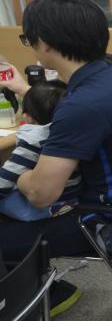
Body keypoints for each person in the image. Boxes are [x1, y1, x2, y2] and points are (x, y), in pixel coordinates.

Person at [0, 0, 112, 315]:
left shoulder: (82, 105)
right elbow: (81, 116)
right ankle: (49, 290)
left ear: (44, 43)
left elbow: (41, 195)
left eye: (28, 40)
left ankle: (29, 319)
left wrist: (19, 174)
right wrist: (24, 91)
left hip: (109, 223)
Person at [0, 80, 80, 221]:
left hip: (40, 210)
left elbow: (7, 176)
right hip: (72, 199)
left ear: (27, 117)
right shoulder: (72, 132)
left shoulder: (32, 141)